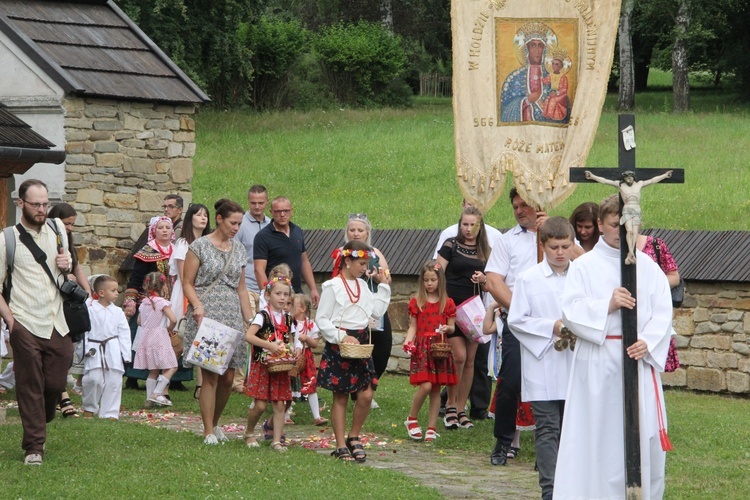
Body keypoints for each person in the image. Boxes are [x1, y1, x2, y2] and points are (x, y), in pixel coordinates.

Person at [555, 195, 673, 499]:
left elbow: (663, 310)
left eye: (631, 224)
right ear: (599, 225)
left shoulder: (648, 267)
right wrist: (607, 305)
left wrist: (647, 341)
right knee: (598, 436)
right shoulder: (585, 266)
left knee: (639, 437)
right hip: (599, 360)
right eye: (614, 225)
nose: (623, 231)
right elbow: (571, 309)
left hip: (638, 360)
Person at [0, 179, 72, 465]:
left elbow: (65, 272)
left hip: (58, 321)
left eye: (45, 204)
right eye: (36, 204)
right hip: (25, 320)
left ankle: (44, 414)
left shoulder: (58, 230)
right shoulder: (7, 239)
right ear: (21, 204)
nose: (42, 209)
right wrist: (11, 321)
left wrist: (68, 265)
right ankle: (34, 448)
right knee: (29, 385)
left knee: (54, 382)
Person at [506, 217, 576, 500]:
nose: (560, 253)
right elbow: (517, 320)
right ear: (543, 245)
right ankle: (550, 490)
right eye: (554, 247)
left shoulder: (582, 276)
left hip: (577, 364)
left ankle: (573, 486)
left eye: (565, 246)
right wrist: (552, 326)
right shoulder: (529, 279)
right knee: (548, 427)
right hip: (544, 363)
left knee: (574, 428)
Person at [182, 199, 253, 444]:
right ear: (220, 219)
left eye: (240, 224)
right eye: (233, 222)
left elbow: (242, 289)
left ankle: (215, 422)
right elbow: (187, 283)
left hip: (231, 313)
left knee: (228, 377)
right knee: (210, 374)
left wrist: (250, 320)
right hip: (207, 315)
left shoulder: (239, 249)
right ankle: (207, 430)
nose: (236, 228)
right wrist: (197, 306)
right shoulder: (199, 246)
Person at [485, 187, 546, 466]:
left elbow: (581, 263)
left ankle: (549, 445)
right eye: (515, 206)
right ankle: (503, 441)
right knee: (509, 382)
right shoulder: (507, 241)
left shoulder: (558, 236)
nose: (519, 210)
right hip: (519, 324)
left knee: (552, 384)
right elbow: (493, 281)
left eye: (525, 205)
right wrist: (519, 310)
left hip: (551, 325)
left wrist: (552, 234)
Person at [316, 240, 391, 462]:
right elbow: (321, 319)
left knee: (366, 393)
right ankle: (340, 444)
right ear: (347, 261)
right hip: (341, 343)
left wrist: (383, 286)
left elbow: (374, 313)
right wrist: (341, 336)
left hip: (360, 344)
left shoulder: (363, 285)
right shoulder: (333, 287)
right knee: (340, 396)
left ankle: (354, 435)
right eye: (361, 263)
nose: (364, 267)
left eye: (366, 263)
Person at [436, 206, 489, 429]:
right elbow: (436, 274)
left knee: (470, 361)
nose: (468, 229)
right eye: (464, 224)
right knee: (457, 356)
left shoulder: (485, 250)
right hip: (451, 310)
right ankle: (449, 404)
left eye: (472, 224)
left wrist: (483, 278)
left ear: (480, 226)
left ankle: (460, 409)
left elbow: (492, 280)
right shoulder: (450, 244)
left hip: (474, 312)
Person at [332, 213, 392, 409]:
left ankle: (368, 388)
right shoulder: (341, 252)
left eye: (360, 230)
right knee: (356, 350)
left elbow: (387, 278)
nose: (356, 234)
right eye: (352, 230)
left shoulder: (376, 253)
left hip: (374, 305)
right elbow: (336, 278)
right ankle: (357, 391)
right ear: (346, 232)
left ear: (367, 233)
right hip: (352, 308)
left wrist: (376, 278)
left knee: (382, 348)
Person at [124, 216, 189, 395]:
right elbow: (136, 278)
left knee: (174, 339)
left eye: (168, 227)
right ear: (154, 230)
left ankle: (174, 379)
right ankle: (135, 375)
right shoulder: (147, 251)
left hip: (174, 298)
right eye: (160, 227)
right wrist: (131, 300)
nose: (165, 230)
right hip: (152, 302)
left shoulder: (177, 250)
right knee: (146, 338)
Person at [402, 261, 457, 443]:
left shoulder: (447, 303)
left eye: (433, 279)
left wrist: (445, 330)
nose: (429, 283)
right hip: (422, 348)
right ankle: (412, 418)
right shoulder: (417, 302)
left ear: (440, 280)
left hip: (438, 348)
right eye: (426, 280)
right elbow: (412, 327)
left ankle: (431, 428)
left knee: (435, 389)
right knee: (425, 385)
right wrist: (408, 342)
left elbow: (451, 327)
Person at [243, 277, 300, 451]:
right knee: (260, 405)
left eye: (285, 294)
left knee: (280, 403)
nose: (282, 298)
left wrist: (295, 348)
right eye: (278, 294)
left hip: (280, 367)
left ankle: (276, 440)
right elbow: (249, 336)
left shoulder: (288, 318)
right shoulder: (263, 316)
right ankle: (249, 432)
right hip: (263, 366)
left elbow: (292, 339)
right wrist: (269, 345)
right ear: (268, 295)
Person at [47, 202, 91, 415]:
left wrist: (87, 290)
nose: (70, 228)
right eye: (67, 223)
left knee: (68, 349)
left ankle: (59, 392)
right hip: (51, 303)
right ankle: (61, 394)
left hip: (68, 303)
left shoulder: (67, 241)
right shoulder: (47, 240)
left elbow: (77, 266)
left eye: (72, 224)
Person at [584, 169, 674, 264]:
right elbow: (606, 181)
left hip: (635, 211)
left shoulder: (649, 263)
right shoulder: (621, 186)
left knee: (633, 232)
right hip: (627, 210)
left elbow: (652, 180)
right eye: (614, 225)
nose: (621, 231)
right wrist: (593, 176)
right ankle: (631, 253)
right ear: (600, 224)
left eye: (631, 178)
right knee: (630, 231)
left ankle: (631, 253)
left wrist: (665, 176)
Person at [170, 203, 211, 400]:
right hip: (186, 292)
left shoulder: (209, 242)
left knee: (202, 339)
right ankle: (161, 379)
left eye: (205, 215)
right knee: (179, 339)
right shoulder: (183, 243)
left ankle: (201, 385)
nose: (203, 218)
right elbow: (183, 272)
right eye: (198, 215)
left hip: (203, 292)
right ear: (190, 218)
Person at [253, 196, 319, 306]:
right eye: (278, 211)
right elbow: (259, 270)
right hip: (278, 296)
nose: (282, 214)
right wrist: (267, 295)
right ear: (271, 212)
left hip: (297, 294)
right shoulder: (263, 237)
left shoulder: (297, 230)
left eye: (286, 211)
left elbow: (304, 261)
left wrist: (313, 288)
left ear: (291, 211)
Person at [82, 275, 131, 419]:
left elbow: (124, 333)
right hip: (94, 347)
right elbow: (84, 330)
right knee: (93, 379)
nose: (117, 293)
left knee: (114, 380)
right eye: (113, 290)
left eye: (117, 290)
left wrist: (126, 354)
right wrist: (84, 349)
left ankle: (110, 412)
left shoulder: (117, 312)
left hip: (112, 347)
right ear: (101, 293)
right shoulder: (90, 309)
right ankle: (89, 407)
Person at [133, 272, 178, 407]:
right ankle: (157, 392)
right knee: (172, 366)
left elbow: (139, 322)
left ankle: (148, 399)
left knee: (153, 369)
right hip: (159, 337)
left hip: (146, 337)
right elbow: (174, 319)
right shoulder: (162, 303)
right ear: (164, 286)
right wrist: (170, 328)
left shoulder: (144, 303)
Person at [500, 21, 553, 123]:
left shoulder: (552, 77)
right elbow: (504, 110)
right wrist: (526, 101)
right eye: (533, 45)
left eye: (540, 46)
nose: (537, 50)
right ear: (526, 49)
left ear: (544, 50)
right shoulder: (513, 78)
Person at [292, 293, 327, 426]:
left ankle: (317, 416)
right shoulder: (289, 322)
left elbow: (314, 344)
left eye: (292, 305)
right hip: (292, 356)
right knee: (290, 383)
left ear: (302, 308)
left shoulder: (310, 324)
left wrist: (306, 338)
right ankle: (285, 415)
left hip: (306, 357)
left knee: (310, 384)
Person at [235, 185, 271, 303]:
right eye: (253, 203)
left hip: (269, 286)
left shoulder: (271, 225)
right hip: (247, 286)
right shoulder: (240, 225)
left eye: (261, 203)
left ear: (267, 201)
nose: (257, 207)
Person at [432, 200, 502, 258]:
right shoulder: (449, 233)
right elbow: (437, 266)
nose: (474, 208)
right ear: (463, 205)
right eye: (470, 204)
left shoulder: (495, 235)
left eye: (478, 204)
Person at [541, 49, 571, 122]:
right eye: (553, 64)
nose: (554, 66)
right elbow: (546, 81)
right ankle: (547, 115)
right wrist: (540, 78)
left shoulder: (563, 77)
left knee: (553, 100)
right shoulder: (550, 74)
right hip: (552, 93)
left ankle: (551, 116)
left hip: (561, 95)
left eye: (557, 64)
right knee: (548, 99)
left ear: (561, 67)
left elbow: (564, 89)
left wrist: (557, 93)